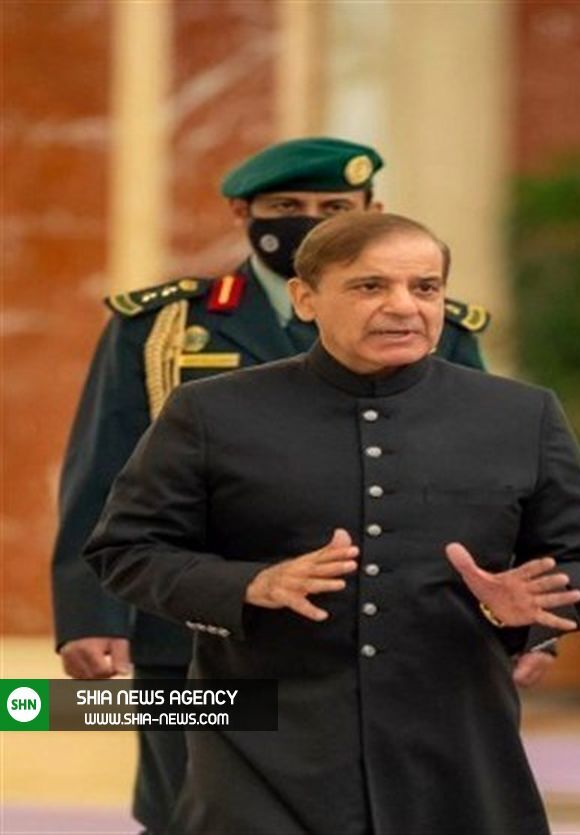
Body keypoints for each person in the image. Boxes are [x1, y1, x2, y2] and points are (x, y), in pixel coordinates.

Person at [49, 137, 550, 835]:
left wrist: (526, 623)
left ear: (369, 210)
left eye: (333, 208)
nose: (309, 222)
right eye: (286, 207)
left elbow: (487, 482)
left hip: (392, 648)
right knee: (194, 809)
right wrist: (90, 614)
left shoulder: (428, 323)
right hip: (194, 632)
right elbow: (103, 473)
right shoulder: (165, 324)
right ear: (243, 212)